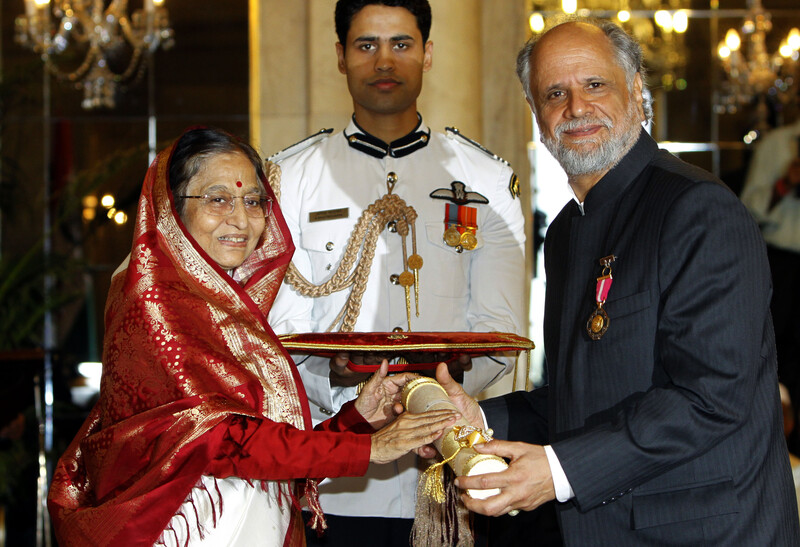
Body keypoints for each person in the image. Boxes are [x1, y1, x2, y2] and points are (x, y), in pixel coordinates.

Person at [441, 18, 800, 545]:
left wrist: (557, 472)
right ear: (537, 113)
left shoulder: (697, 210)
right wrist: (481, 417)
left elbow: (711, 397)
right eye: (554, 93)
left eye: (594, 85)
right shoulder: (565, 232)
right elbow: (583, 397)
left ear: (636, 90)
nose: (576, 108)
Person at [46, 127, 460, 547]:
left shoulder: (223, 304)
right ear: (172, 207)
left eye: (252, 201)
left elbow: (262, 449)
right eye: (217, 199)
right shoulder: (155, 299)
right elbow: (223, 443)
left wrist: (357, 421)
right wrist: (369, 450)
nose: (241, 220)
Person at [267, 0, 526, 544]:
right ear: (340, 56)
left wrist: (430, 403)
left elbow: (499, 332)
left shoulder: (485, 178)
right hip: (338, 482)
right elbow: (278, 336)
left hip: (449, 475)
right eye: (366, 45)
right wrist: (357, 406)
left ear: (428, 54)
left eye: (401, 44)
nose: (384, 61)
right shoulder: (289, 180)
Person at [740, 119, 800, 455]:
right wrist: (785, 183)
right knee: (776, 354)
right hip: (782, 263)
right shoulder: (777, 144)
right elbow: (747, 207)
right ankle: (774, 452)